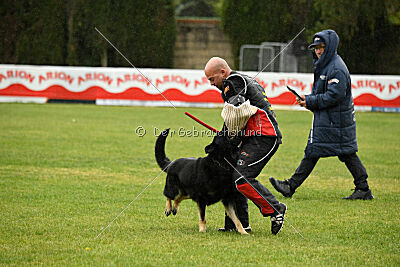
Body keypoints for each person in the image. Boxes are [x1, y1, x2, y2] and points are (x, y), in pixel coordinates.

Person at [269, 29, 374, 200]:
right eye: (316, 47)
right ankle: (363, 188)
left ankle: (290, 186)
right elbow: (326, 95)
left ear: (330, 47)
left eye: (321, 47)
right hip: (332, 119)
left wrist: (310, 101)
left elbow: (334, 96)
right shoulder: (327, 64)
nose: (318, 51)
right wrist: (307, 100)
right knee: (344, 152)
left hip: (335, 120)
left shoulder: (336, 68)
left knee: (318, 151)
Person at [204, 57, 287, 235]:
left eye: (212, 79)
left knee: (241, 178)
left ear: (223, 73)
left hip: (263, 136)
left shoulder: (232, 83)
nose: (211, 84)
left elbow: (236, 112)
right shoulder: (242, 79)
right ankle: (238, 223)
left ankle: (276, 208)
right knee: (231, 175)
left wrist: (223, 140)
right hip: (253, 136)